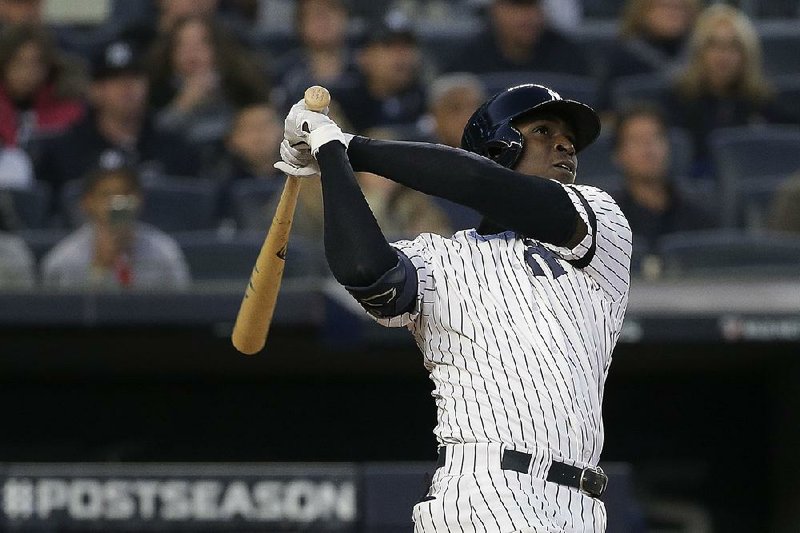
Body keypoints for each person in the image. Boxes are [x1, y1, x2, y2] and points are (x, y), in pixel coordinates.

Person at [275, 83, 631, 531]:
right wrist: (330, 157)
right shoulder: (440, 259)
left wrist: (347, 145)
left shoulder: (601, 225)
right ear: (499, 146)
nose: (566, 145)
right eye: (543, 130)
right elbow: (367, 270)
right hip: (482, 494)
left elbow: (478, 181)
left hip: (581, 505)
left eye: (571, 140)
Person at [31, 38, 203, 217]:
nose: (126, 87)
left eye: (135, 77)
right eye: (114, 80)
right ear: (95, 91)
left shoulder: (175, 147)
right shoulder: (64, 151)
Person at [664, 4, 800, 179]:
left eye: (733, 46)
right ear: (699, 51)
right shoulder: (677, 100)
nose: (723, 55)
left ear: (747, 54)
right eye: (714, 45)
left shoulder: (762, 101)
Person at [41, 166, 190, 291]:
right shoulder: (63, 260)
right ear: (87, 202)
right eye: (106, 195)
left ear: (139, 199)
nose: (116, 203)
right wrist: (99, 267)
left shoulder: (165, 252)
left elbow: (182, 309)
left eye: (125, 193)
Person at [610, 104, 717, 262]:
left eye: (655, 138)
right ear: (618, 155)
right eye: (637, 141)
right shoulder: (605, 222)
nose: (648, 149)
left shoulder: (700, 218)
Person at [146, 15, 269, 148]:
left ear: (218, 48)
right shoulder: (156, 89)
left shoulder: (241, 86)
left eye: (201, 43)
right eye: (182, 44)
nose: (191, 52)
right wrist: (183, 105)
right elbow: (152, 139)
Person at [443, 0, 590, 77]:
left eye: (532, 6)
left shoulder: (568, 54)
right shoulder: (468, 58)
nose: (527, 17)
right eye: (516, 7)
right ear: (494, 10)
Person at [332, 15, 427, 133]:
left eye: (407, 46)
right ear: (364, 57)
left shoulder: (428, 100)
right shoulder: (343, 102)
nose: (401, 55)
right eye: (389, 46)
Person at [600, 0, 699, 112]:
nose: (674, 14)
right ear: (642, 10)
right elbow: (605, 108)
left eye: (681, 8)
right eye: (665, 6)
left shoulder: (700, 54)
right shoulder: (621, 54)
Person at [0, 24, 86, 148]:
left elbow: (74, 113)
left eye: (36, 64)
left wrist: (23, 123)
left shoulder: (61, 93)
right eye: (19, 62)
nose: (28, 72)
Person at [272, 0, 358, 115]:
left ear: (345, 17)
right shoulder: (284, 72)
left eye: (330, 11)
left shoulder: (367, 65)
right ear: (300, 25)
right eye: (314, 14)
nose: (323, 20)